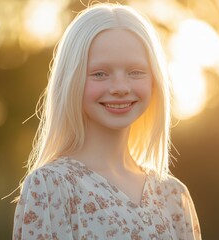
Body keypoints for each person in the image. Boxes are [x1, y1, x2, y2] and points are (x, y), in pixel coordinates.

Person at [13, 3, 201, 240]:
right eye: (100, 73)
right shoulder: (51, 186)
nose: (120, 88)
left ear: (155, 80)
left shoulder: (173, 196)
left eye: (135, 71)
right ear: (72, 80)